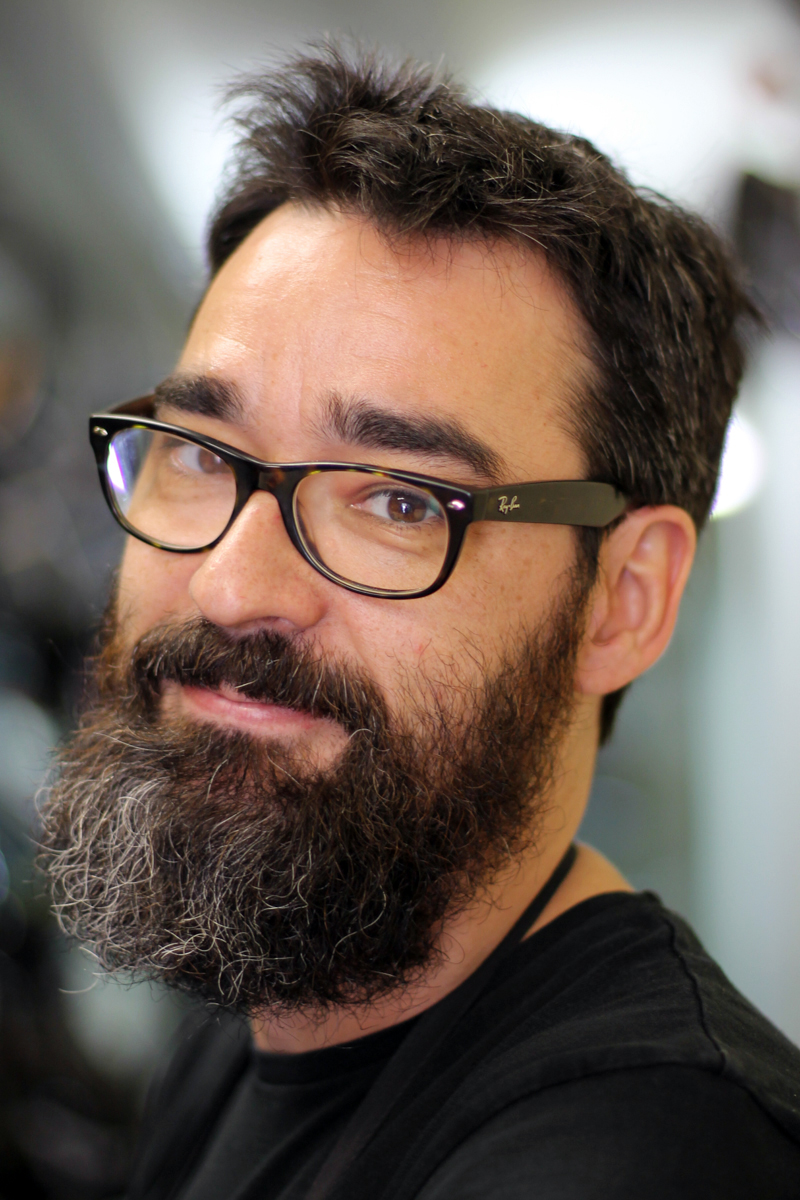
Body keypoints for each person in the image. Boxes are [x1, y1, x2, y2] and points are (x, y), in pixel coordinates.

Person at [40, 45, 800, 1200]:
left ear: (623, 598)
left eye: (397, 501)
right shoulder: (257, 1017)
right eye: (200, 455)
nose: (232, 589)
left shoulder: (643, 1154)